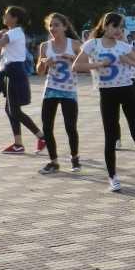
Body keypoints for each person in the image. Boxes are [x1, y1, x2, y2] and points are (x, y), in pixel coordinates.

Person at [73, 12, 135, 193]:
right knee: (110, 136)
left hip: (129, 90)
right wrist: (99, 64)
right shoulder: (93, 44)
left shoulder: (124, 46)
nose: (118, 30)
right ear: (105, 25)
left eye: (121, 27)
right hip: (107, 93)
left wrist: (127, 59)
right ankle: (113, 177)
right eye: (115, 26)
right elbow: (76, 66)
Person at [0, 6, 46, 155]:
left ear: (14, 18)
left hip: (14, 72)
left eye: (6, 14)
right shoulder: (13, 33)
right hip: (11, 71)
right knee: (10, 110)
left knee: (14, 110)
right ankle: (18, 144)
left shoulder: (14, 32)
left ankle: (41, 137)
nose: (4, 17)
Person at [36, 13, 82, 174]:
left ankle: (75, 158)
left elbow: (86, 65)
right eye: (50, 25)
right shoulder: (45, 46)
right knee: (47, 127)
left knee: (70, 127)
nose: (52, 28)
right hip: (51, 89)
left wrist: (73, 58)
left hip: (69, 91)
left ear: (65, 27)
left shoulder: (75, 44)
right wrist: (44, 64)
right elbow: (39, 72)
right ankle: (53, 161)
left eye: (56, 25)